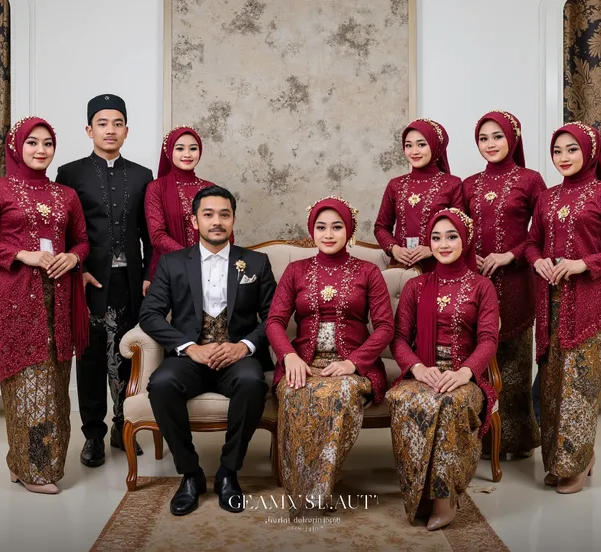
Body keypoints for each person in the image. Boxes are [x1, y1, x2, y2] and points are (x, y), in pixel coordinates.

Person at [0, 117, 89, 494]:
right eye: (32, 142)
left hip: (60, 295)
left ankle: (30, 462)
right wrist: (21, 254)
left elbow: (82, 240)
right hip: (16, 295)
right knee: (26, 382)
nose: (40, 150)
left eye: (47, 143)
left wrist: (73, 258)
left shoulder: (66, 194)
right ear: (17, 147)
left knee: (55, 383)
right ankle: (32, 468)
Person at [139, 186, 276, 515]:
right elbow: (149, 314)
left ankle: (229, 472)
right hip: (191, 358)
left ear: (233, 220)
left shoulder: (256, 262)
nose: (217, 221)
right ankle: (191, 474)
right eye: (209, 214)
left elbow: (274, 317)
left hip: (237, 359)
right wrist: (188, 347)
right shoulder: (173, 264)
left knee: (252, 383)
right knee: (160, 384)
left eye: (224, 215)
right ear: (195, 220)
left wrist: (244, 345)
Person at [525, 122, 601, 494]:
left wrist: (584, 264)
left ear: (589, 152)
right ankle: (559, 461)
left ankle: (577, 461)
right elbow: (531, 243)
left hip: (590, 304)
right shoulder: (547, 197)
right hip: (549, 305)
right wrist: (538, 261)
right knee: (551, 384)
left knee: (579, 386)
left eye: (571, 149)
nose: (563, 157)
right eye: (557, 150)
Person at [266, 196, 394, 517]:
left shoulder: (368, 272)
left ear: (348, 230)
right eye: (321, 227)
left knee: (338, 394)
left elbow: (384, 327)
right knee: (295, 395)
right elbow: (274, 322)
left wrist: (354, 362)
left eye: (336, 227)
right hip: (304, 365)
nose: (328, 234)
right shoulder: (295, 271)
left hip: (352, 367)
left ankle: (319, 491)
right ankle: (301, 488)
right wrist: (290, 358)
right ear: (312, 231)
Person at [55, 94, 154, 467]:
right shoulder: (70, 173)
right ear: (88, 129)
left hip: (130, 281)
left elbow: (148, 233)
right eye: (102, 123)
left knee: (129, 354)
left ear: (126, 130)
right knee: (92, 355)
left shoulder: (143, 176)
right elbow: (62, 230)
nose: (109, 130)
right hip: (88, 280)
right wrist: (76, 271)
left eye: (117, 123)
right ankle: (93, 435)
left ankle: (122, 426)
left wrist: (148, 277)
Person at [387, 208, 499, 530]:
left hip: (463, 375)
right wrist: (418, 369)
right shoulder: (415, 286)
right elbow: (398, 339)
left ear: (465, 240)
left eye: (451, 237)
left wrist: (466, 372)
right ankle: (417, 494)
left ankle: (443, 497)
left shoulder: (482, 287)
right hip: (424, 371)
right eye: (436, 238)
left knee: (448, 404)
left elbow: (489, 340)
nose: (443, 244)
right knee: (405, 399)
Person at [462, 110, 546, 458]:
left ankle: (518, 441)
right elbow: (456, 230)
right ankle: (479, 441)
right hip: (476, 283)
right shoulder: (468, 184)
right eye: (483, 138)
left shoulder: (530, 180)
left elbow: (541, 231)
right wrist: (470, 258)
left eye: (497, 136)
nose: (490, 144)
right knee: (477, 360)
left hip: (515, 281)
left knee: (514, 365)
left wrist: (509, 255)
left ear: (512, 138)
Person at [375, 118, 463, 270]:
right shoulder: (395, 185)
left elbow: (461, 229)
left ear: (436, 146)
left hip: (438, 265)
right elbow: (381, 227)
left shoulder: (452, 184)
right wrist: (394, 249)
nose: (414, 151)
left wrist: (431, 248)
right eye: (408, 145)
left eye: (421, 144)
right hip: (401, 267)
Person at [144, 126, 215, 280]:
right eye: (180, 148)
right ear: (169, 152)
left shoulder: (211, 188)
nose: (187, 154)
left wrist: (210, 259)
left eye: (193, 148)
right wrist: (192, 258)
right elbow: (157, 236)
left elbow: (224, 230)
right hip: (170, 269)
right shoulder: (156, 188)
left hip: (209, 268)